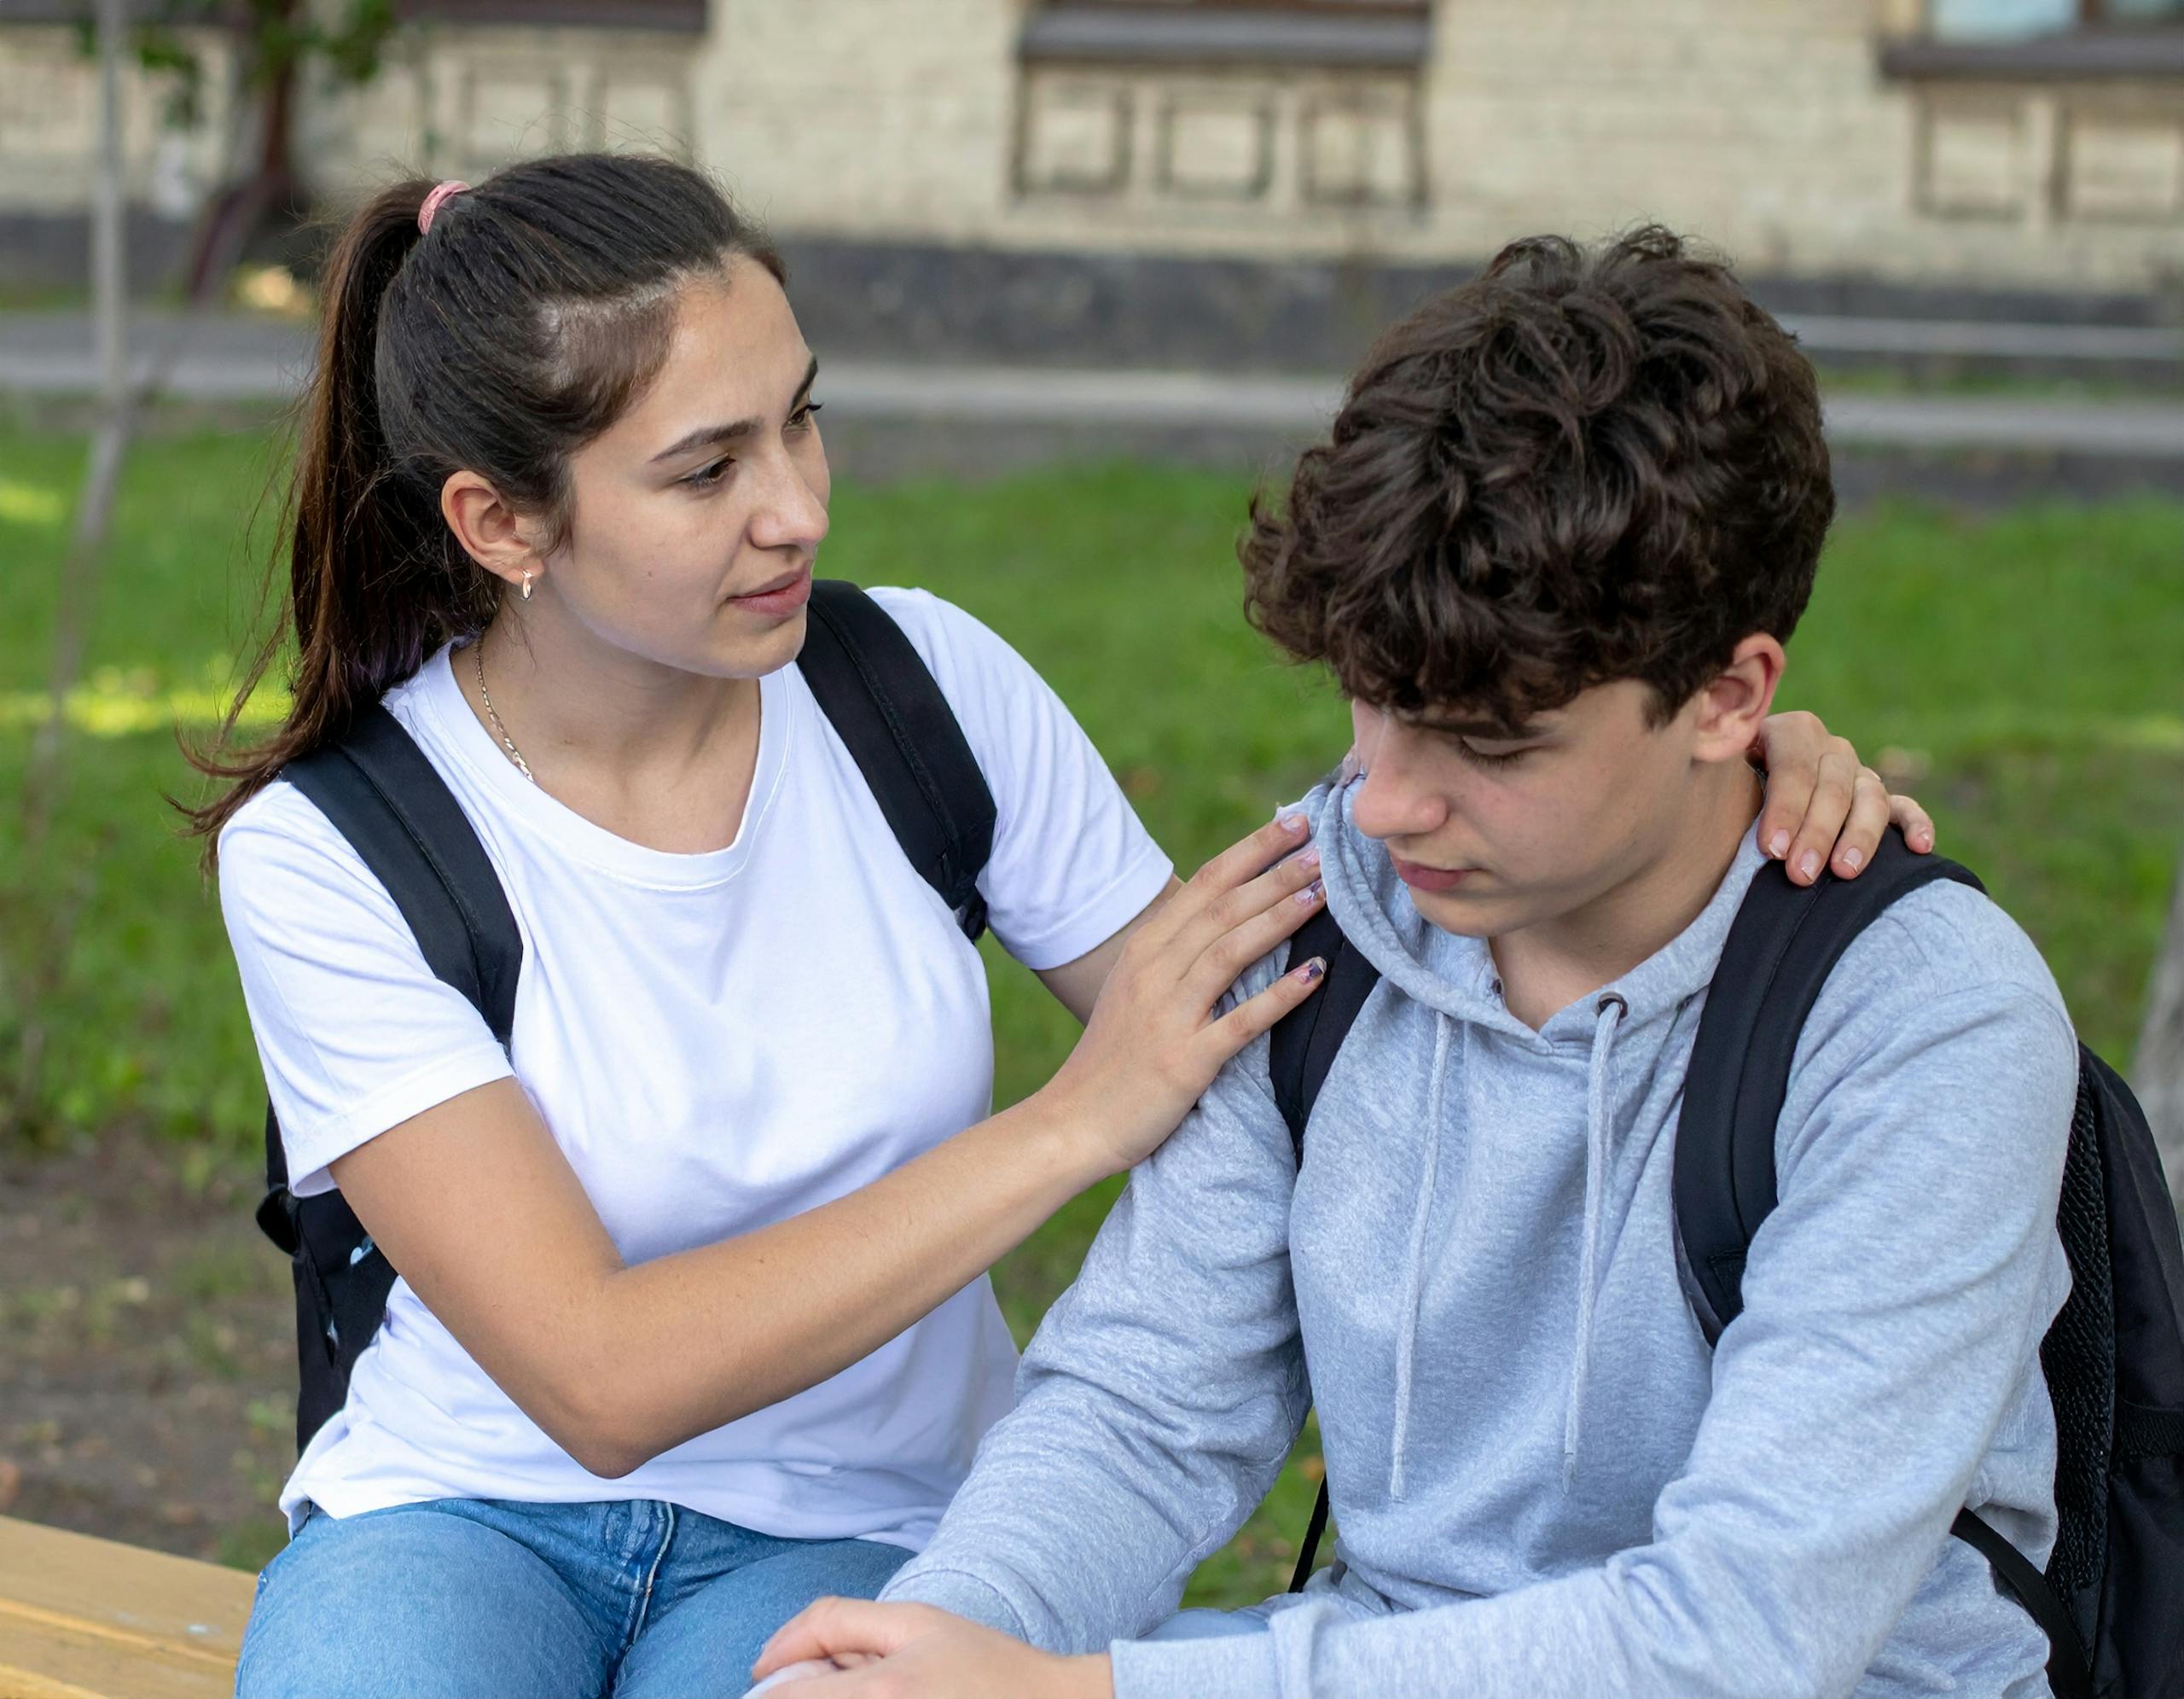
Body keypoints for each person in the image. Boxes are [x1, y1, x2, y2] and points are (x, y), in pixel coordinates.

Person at [197, 153, 1922, 1699]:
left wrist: (1712, 764)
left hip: (859, 1521)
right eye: (705, 467)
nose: (795, 505)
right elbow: (594, 1377)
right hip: (461, 1512)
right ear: (502, 524)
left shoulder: (915, 690)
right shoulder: (336, 847)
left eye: (801, 419)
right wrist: (1070, 1125)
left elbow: (1301, 989)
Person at [752, 230, 2075, 1699]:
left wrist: (1082, 1694)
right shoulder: (1326, 912)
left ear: (1728, 697)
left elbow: (1741, 1639)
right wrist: (930, 1646)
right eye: (1373, 707)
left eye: (1489, 746)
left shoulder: (1923, 1018)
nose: (1382, 800)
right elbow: (1141, 1410)